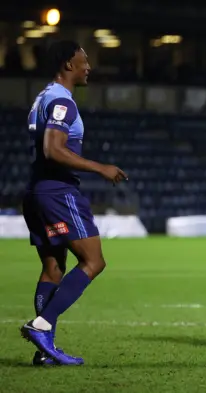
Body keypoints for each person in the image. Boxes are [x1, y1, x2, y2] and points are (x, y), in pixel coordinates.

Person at [20, 40, 128, 366]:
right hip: (58, 192)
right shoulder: (62, 102)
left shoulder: (42, 97)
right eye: (84, 61)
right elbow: (54, 149)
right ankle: (41, 325)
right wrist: (101, 168)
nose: (88, 67)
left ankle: (45, 350)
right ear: (69, 64)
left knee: (53, 267)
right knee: (93, 261)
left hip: (36, 190)